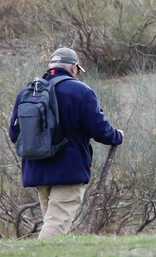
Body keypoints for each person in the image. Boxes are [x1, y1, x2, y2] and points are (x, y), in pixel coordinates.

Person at [8, 47, 124, 239]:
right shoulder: (81, 92)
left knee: (53, 223)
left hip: (36, 170)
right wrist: (117, 136)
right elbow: (100, 129)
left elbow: (14, 133)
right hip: (68, 170)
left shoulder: (28, 92)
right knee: (56, 225)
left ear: (50, 67)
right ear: (73, 68)